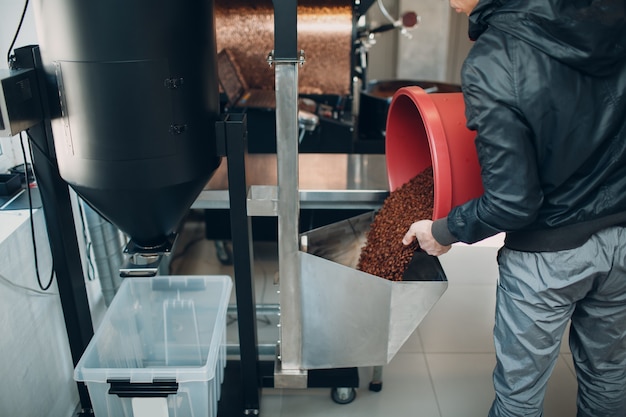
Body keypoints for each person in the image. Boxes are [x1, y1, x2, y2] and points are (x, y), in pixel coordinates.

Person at [402, 0, 626, 416]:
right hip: (621, 237)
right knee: (609, 378)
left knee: (519, 397)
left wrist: (445, 230)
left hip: (547, 256)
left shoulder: (495, 59)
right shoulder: (611, 13)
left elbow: (513, 203)